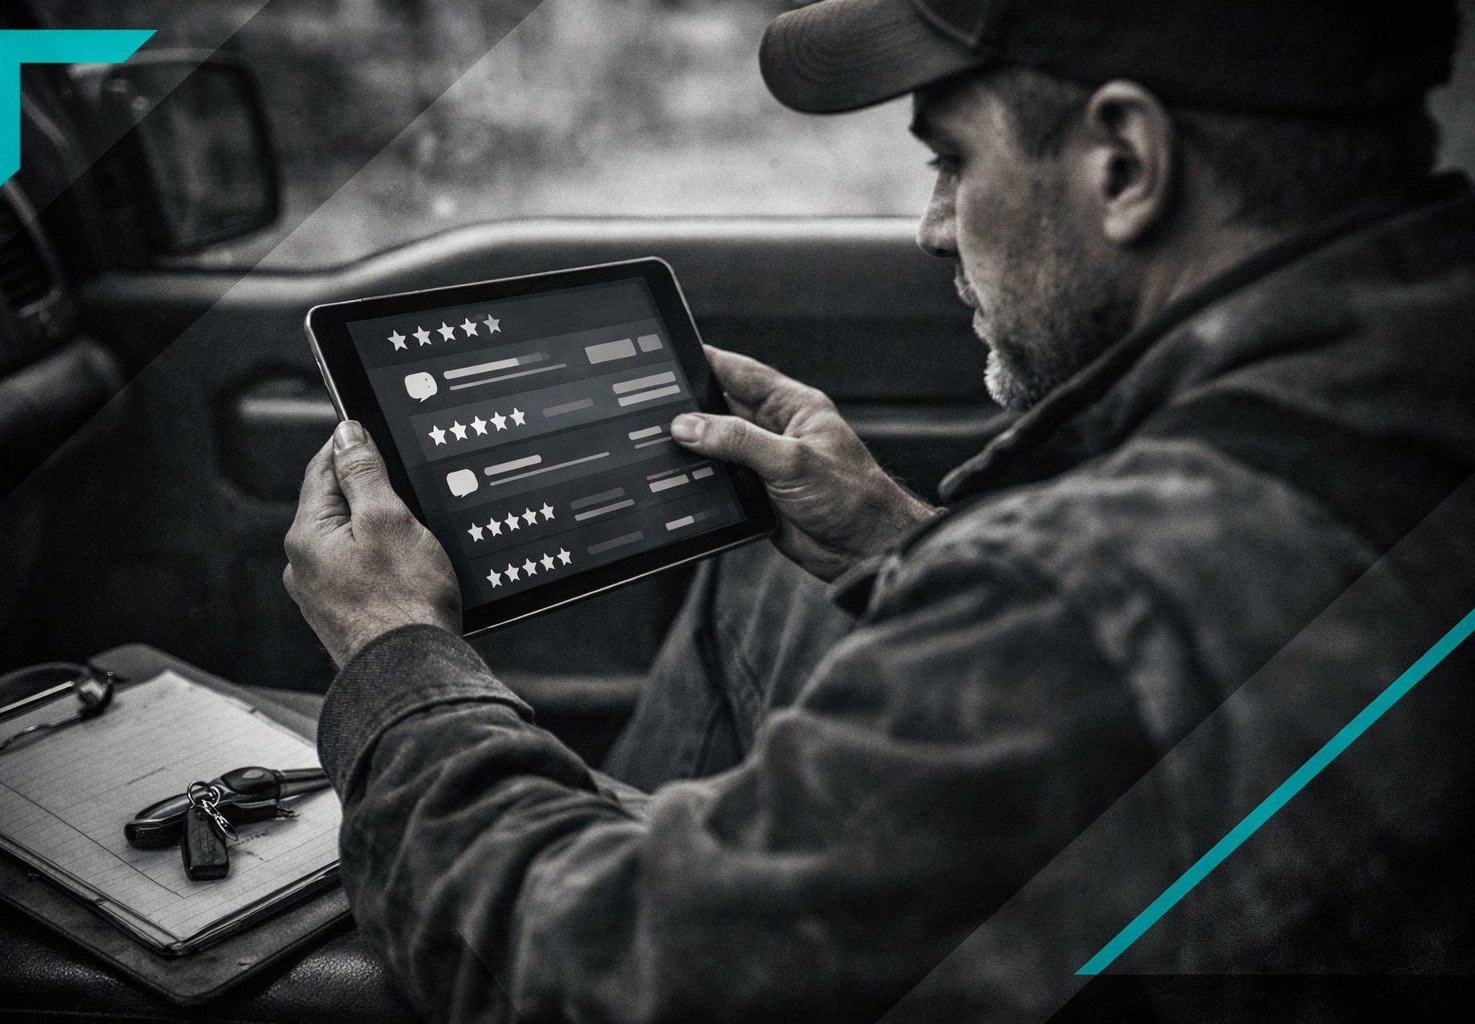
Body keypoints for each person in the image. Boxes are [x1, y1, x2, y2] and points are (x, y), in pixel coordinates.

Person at [283, 1, 1475, 1020]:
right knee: (756, 559)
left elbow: (600, 981)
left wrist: (397, 657)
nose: (931, 227)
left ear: (1124, 163)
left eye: (952, 159)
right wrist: (900, 543)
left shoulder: (1092, 591)